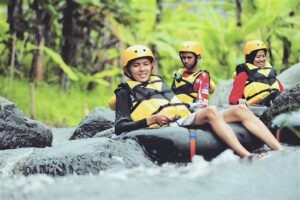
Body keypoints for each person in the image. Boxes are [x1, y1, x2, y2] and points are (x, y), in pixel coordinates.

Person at [114, 44, 282, 158]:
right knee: (211, 112)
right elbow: (120, 127)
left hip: (183, 117)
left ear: (151, 65)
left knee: (241, 110)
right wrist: (151, 119)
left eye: (145, 64)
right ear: (128, 69)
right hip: (168, 126)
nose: (142, 69)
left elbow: (174, 103)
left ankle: (279, 150)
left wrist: (192, 106)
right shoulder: (124, 92)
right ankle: (247, 156)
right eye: (136, 65)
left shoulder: (157, 81)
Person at [229, 40, 284, 106]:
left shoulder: (268, 72)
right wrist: (239, 100)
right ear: (250, 58)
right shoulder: (243, 73)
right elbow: (232, 98)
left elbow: (281, 90)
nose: (262, 59)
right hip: (257, 106)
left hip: (274, 100)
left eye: (263, 56)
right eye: (258, 57)